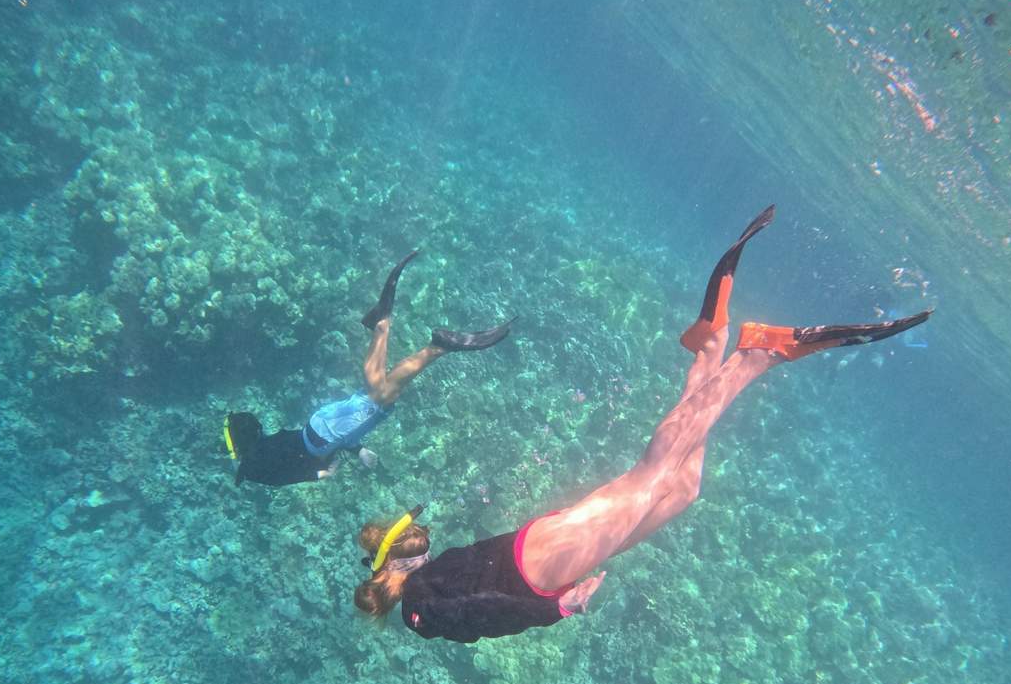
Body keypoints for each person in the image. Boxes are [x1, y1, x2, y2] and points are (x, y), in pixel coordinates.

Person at [353, 206, 932, 642]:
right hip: (542, 553)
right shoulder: (421, 594)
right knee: (681, 488)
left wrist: (555, 610)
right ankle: (710, 347)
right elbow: (476, 608)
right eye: (412, 538)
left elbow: (482, 613)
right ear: (396, 561)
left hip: (542, 565)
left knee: (650, 477)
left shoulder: (420, 605)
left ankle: (756, 356)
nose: (421, 540)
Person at [223, 250, 512, 486]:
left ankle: (426, 341)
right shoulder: (256, 453)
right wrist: (359, 450)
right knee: (381, 392)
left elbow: (284, 477)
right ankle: (397, 330)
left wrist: (320, 474)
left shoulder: (253, 468)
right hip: (322, 428)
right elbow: (267, 446)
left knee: (379, 396)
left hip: (326, 436)